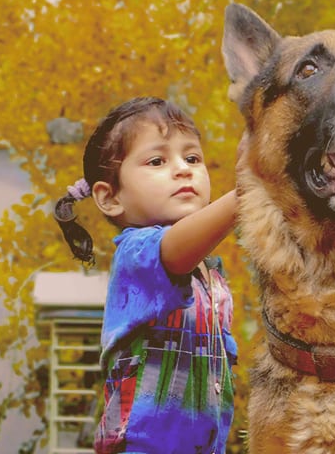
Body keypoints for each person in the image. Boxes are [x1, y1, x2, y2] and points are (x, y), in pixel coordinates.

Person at [55, 97, 239, 454]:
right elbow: (175, 251)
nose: (183, 169)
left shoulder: (211, 273)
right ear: (109, 199)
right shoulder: (136, 253)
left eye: (192, 158)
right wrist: (247, 191)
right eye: (157, 161)